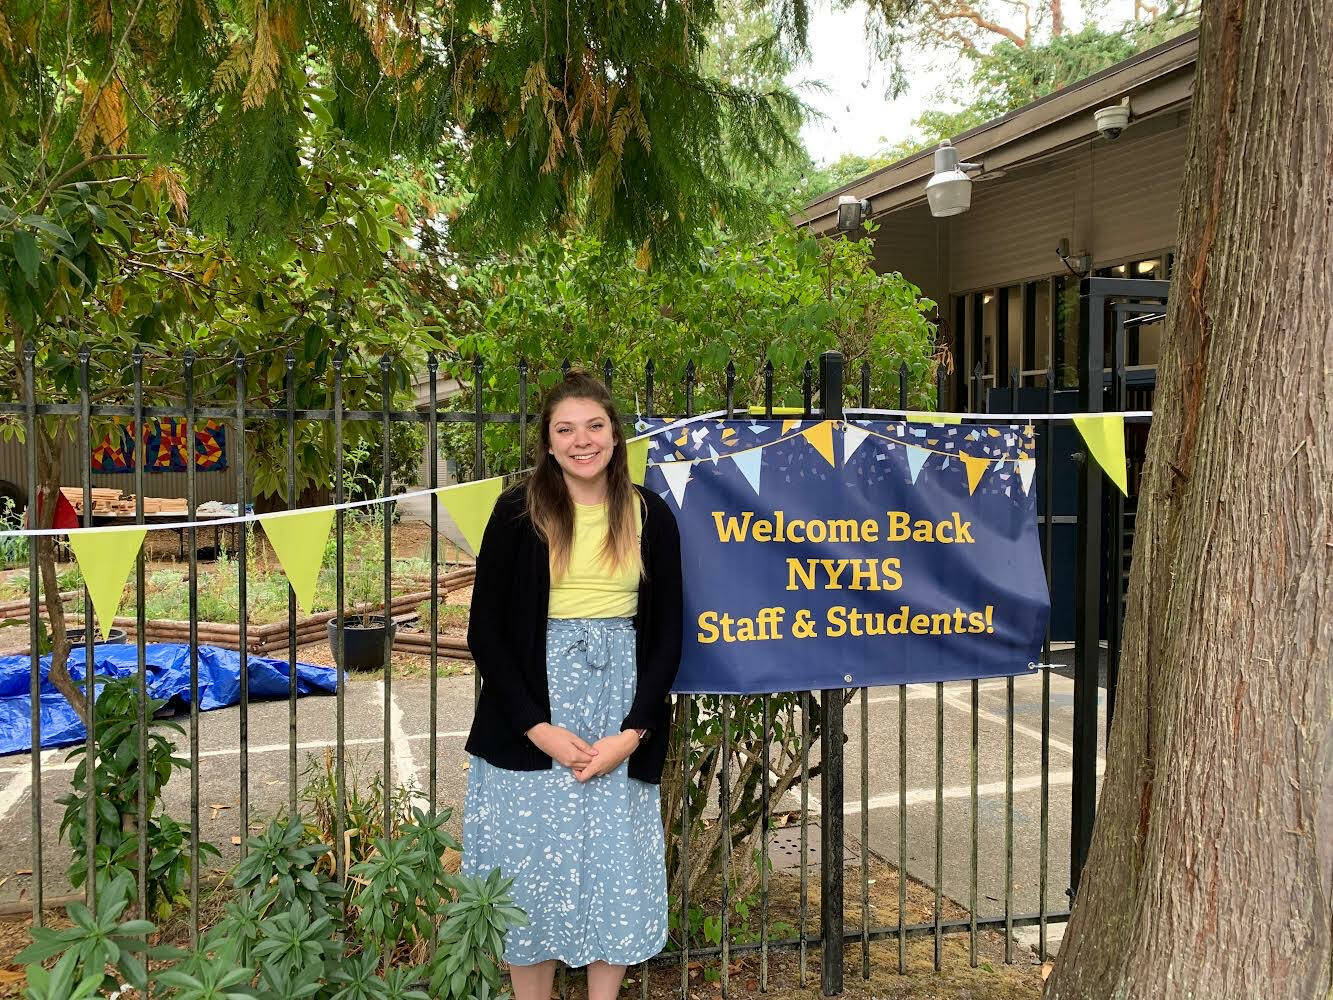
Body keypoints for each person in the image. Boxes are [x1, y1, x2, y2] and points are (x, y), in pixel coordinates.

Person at [462, 368, 683, 1000]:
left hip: (619, 709)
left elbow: (667, 634)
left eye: (594, 425)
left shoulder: (650, 515)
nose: (581, 440)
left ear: (615, 435)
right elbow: (487, 633)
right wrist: (538, 728)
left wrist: (632, 735)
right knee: (525, 866)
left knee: (610, 866)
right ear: (548, 442)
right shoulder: (517, 511)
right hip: (530, 711)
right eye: (566, 429)